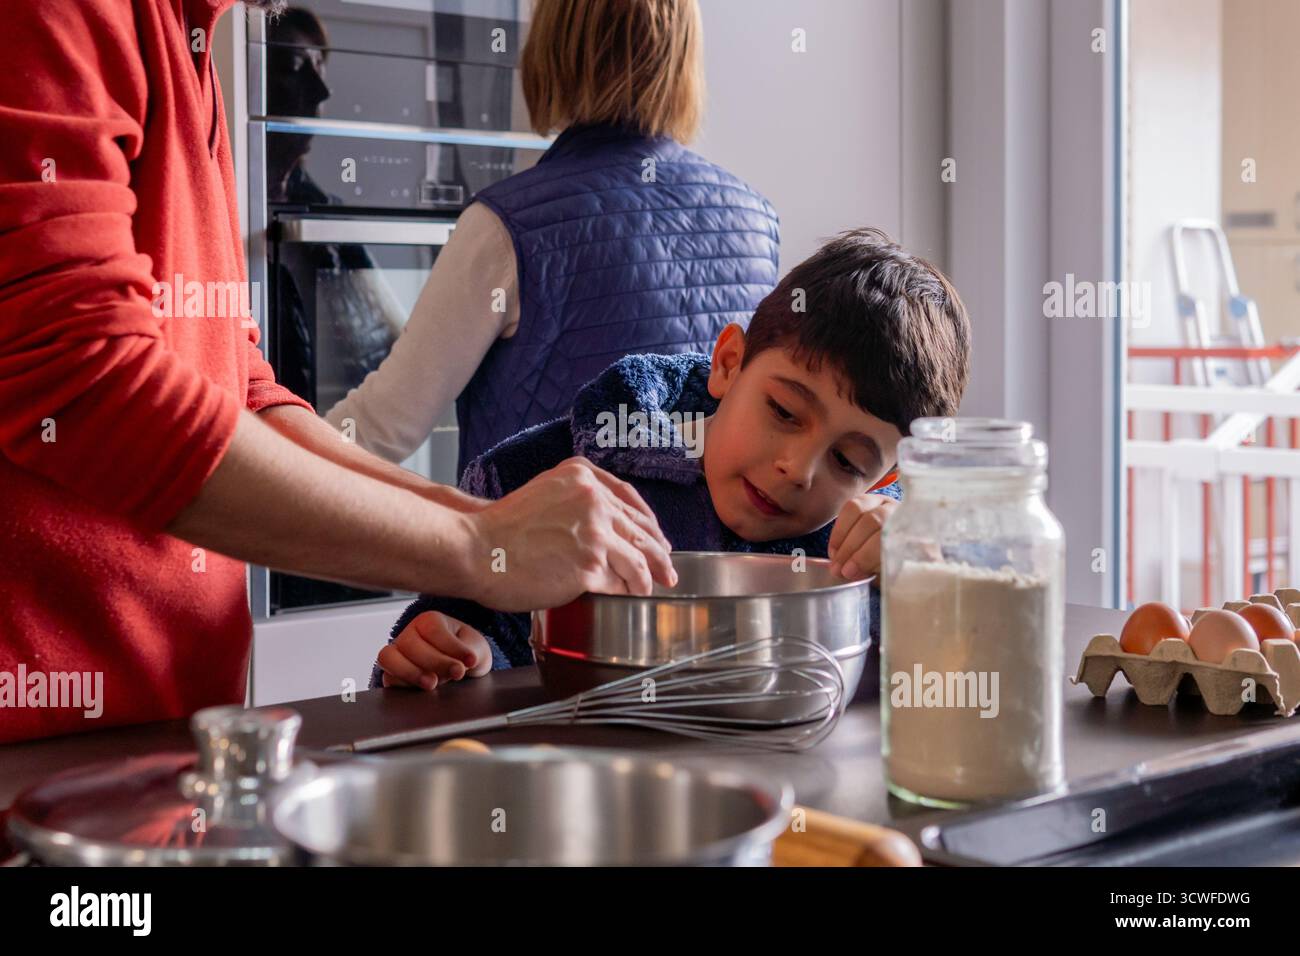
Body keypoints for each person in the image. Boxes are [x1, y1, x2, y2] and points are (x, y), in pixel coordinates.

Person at [0, 0, 672, 744]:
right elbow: (84, 378)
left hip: (162, 724)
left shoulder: (193, 40)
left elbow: (237, 380)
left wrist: (483, 527)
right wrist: (478, 549)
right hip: (37, 741)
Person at [372, 228, 972, 690]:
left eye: (846, 461)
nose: (798, 468)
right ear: (729, 363)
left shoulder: (878, 550)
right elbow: (465, 630)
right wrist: (456, 650)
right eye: (785, 413)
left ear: (888, 476)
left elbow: (954, 669)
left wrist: (918, 576)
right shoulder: (545, 478)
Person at [325, 0, 783, 480]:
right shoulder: (756, 219)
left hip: (545, 552)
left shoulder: (505, 223)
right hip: (691, 556)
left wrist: (253, 450)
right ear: (684, 56)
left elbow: (380, 429)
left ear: (553, 49)